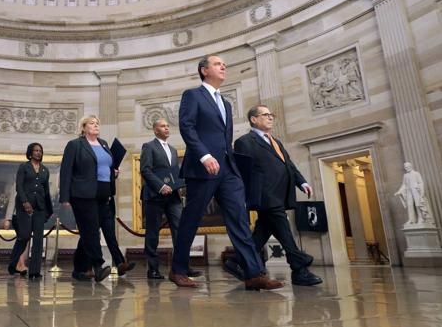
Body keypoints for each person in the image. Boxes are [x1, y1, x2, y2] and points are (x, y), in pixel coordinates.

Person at [170, 55, 283, 290]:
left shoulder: (226, 103)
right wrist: (204, 155)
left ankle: (253, 273)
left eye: (225, 63)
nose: (224, 66)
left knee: (239, 218)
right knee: (191, 219)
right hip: (203, 167)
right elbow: (187, 126)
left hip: (228, 168)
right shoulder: (192, 95)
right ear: (204, 70)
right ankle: (178, 269)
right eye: (218, 64)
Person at [224, 104, 322, 286]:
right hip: (265, 195)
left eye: (271, 115)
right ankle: (299, 267)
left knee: (264, 230)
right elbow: (242, 172)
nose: (270, 117)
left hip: (280, 192)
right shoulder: (244, 142)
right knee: (283, 228)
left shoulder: (276, 141)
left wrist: (302, 182)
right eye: (266, 114)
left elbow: (288, 164)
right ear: (254, 119)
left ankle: (236, 261)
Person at [60, 115, 134, 282]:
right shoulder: (75, 145)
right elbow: (66, 171)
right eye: (92, 123)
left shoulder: (104, 144)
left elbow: (105, 167)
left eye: (97, 123)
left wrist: (113, 172)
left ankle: (117, 263)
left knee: (105, 230)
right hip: (83, 195)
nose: (96, 126)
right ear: (84, 127)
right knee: (92, 232)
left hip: (105, 194)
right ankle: (98, 266)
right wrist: (65, 198)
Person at [140, 118, 183, 279]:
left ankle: (181, 267)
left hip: (173, 196)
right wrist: (160, 186)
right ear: (155, 130)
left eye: (167, 126)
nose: (166, 128)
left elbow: (173, 172)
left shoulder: (172, 150)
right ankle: (153, 269)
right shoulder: (148, 146)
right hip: (154, 196)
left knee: (180, 229)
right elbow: (145, 170)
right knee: (153, 233)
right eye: (162, 126)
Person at [6, 143, 53, 279]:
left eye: (40, 151)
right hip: (24, 207)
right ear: (30, 153)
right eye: (36, 150)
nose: (39, 153)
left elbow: (46, 191)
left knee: (38, 239)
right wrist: (25, 202)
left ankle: (35, 272)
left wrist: (47, 210)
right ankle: (13, 263)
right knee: (24, 236)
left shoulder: (45, 170)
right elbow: (19, 187)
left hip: (39, 207)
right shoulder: (24, 167)